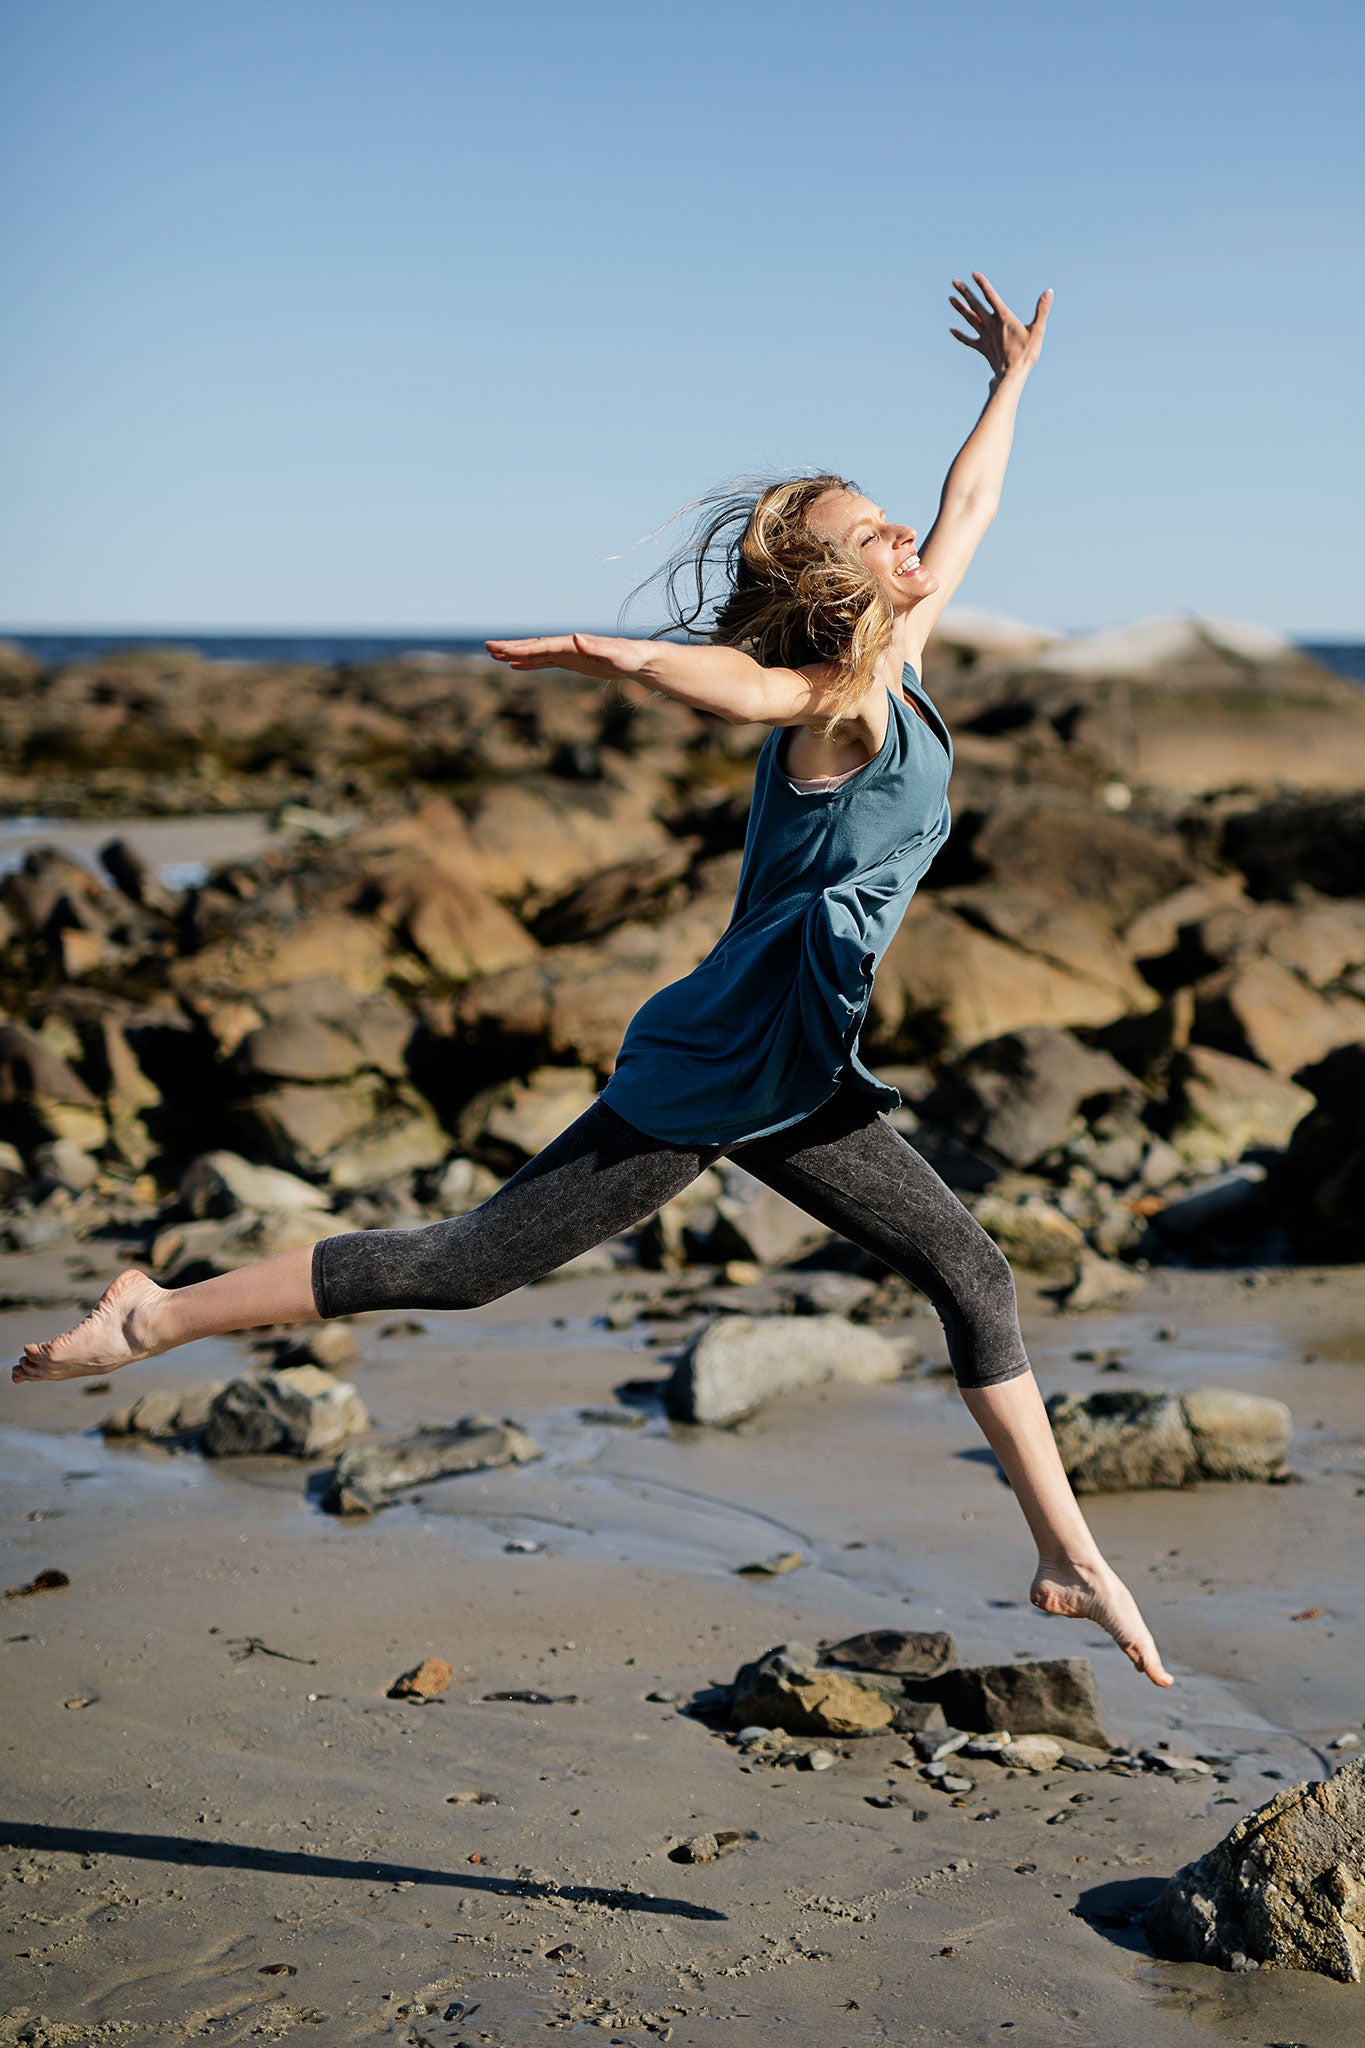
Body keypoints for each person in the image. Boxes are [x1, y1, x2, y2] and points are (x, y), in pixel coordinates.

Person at [14, 273, 1173, 1690]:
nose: (906, 534)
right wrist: (608, 654)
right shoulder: (827, 700)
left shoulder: (904, 656)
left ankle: (1064, 1555)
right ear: (831, 589)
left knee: (968, 1269)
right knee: (468, 1264)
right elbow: (734, 688)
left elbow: (974, 504)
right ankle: (158, 1314)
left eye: (891, 516)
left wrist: (1008, 383)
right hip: (712, 1072)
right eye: (872, 532)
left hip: (797, 1070)